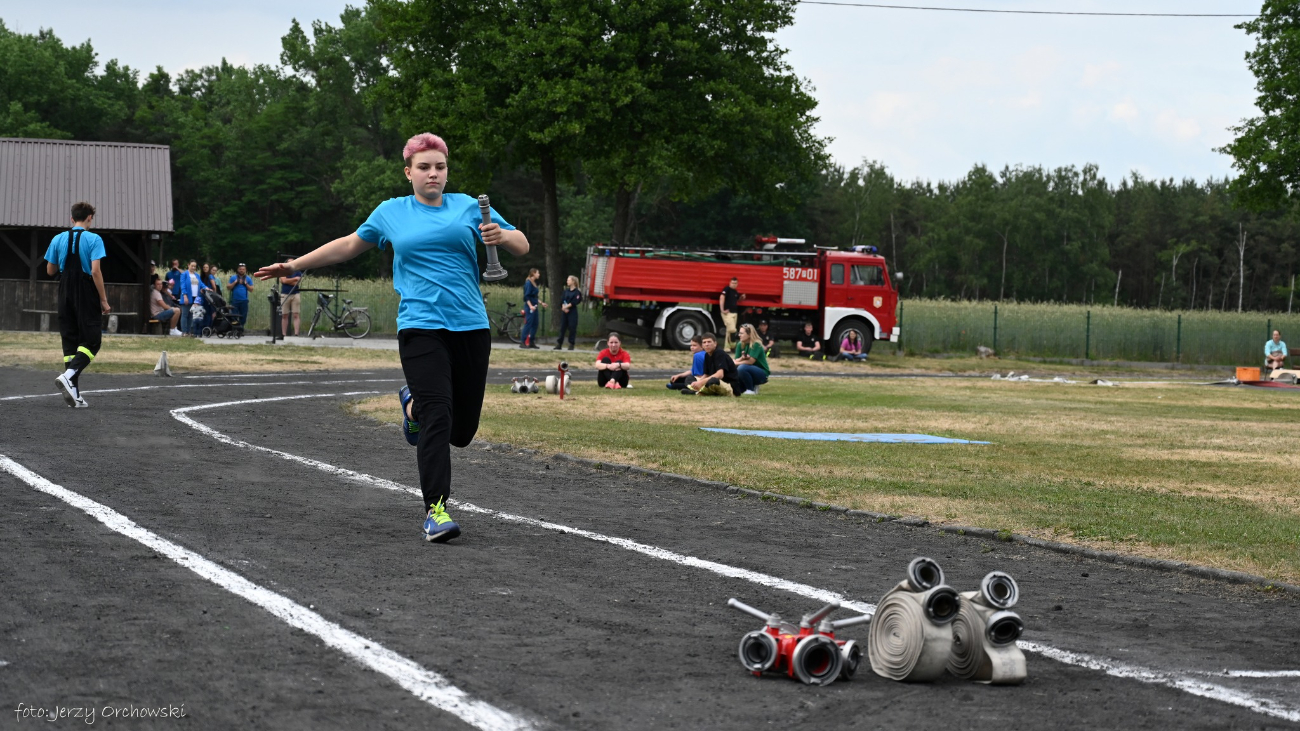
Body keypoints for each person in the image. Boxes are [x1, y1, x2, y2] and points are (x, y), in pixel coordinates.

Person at [255, 132, 528, 543]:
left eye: (439, 167)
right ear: (408, 173)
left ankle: (411, 405)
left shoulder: (470, 207)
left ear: (447, 171)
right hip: (420, 326)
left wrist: (501, 237)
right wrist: (295, 265)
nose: (433, 174)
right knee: (441, 412)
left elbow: (522, 245)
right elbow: (348, 245)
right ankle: (436, 511)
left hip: (470, 326)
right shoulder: (391, 213)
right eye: (424, 167)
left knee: (462, 431)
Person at [44, 201, 109, 408]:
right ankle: (69, 375)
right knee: (92, 340)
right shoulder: (94, 239)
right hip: (85, 288)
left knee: (70, 341)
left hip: (64, 288)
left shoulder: (57, 238)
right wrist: (104, 300)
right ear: (90, 217)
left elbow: (50, 270)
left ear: (72, 218)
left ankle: (75, 394)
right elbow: (96, 271)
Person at [171, 260, 209, 336]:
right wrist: (185, 296)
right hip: (187, 296)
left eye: (195, 266)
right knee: (185, 314)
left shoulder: (197, 275)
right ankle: (184, 331)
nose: (193, 267)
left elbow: (201, 283)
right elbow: (183, 285)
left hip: (195, 297)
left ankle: (189, 331)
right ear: (188, 265)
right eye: (192, 266)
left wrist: (206, 288)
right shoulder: (184, 274)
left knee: (191, 314)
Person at [733, 323, 771, 395]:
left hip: (761, 372)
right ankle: (748, 386)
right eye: (739, 333)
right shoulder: (740, 344)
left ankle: (750, 389)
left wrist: (736, 363)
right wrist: (740, 359)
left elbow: (751, 361)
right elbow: (736, 360)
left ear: (749, 334)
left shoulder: (756, 344)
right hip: (747, 369)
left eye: (741, 333)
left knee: (741, 368)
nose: (739, 335)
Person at [519, 267, 545, 348]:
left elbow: (534, 297)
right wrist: (530, 306)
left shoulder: (534, 283)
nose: (539, 274)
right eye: (538, 273)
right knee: (528, 324)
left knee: (535, 324)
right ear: (533, 273)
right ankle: (523, 341)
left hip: (535, 306)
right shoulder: (528, 283)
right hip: (530, 307)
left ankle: (531, 341)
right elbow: (527, 296)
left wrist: (541, 303)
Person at [555, 275, 582, 350]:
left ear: (573, 281)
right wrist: (563, 307)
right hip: (565, 311)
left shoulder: (577, 292)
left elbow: (575, 301)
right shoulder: (565, 291)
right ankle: (559, 343)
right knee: (562, 327)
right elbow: (562, 299)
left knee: (572, 327)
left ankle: (571, 343)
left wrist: (567, 307)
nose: (567, 281)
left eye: (568, 280)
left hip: (572, 311)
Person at [279, 264, 305, 336]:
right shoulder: (282, 271)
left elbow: (297, 283)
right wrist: (294, 279)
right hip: (285, 294)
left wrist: (288, 281)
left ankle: (296, 333)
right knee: (284, 315)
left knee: (296, 314)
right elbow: (283, 280)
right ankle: (283, 334)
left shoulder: (298, 272)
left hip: (295, 294)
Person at [227, 263, 254, 329]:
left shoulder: (248, 278)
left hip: (244, 300)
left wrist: (246, 283)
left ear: (245, 270)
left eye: (243, 269)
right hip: (235, 300)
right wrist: (235, 282)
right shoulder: (233, 277)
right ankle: (235, 328)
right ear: (238, 270)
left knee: (243, 315)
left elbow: (251, 289)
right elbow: (228, 287)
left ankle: (241, 328)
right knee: (234, 315)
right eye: (240, 269)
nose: (241, 270)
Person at [719, 277, 743, 349]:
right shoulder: (727, 289)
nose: (734, 284)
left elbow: (738, 300)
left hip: (734, 313)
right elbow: (722, 297)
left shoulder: (735, 292)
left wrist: (742, 297)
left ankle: (727, 348)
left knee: (728, 331)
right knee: (732, 329)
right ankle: (733, 343)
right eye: (732, 283)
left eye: (735, 283)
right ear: (730, 283)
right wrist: (722, 310)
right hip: (728, 313)